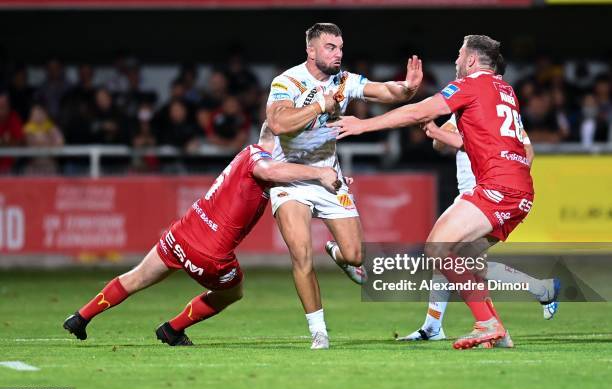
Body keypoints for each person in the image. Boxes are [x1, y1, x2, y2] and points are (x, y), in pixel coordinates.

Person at [332, 35, 535, 349]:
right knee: (463, 258)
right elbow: (504, 146)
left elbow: (418, 111)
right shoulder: (505, 92)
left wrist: (363, 125)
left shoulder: (471, 85)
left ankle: (488, 322)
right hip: (520, 192)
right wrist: (442, 134)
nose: (455, 61)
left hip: (496, 187)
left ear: (470, 60)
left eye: (458, 54)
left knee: (438, 247)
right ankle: (499, 333)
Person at [63, 143, 341, 346]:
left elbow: (278, 174)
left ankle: (80, 317)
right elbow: (271, 169)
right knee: (233, 293)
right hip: (210, 254)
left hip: (183, 232)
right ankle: (173, 329)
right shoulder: (262, 160)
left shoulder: (247, 153)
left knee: (136, 277)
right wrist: (319, 172)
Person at [260, 22, 423, 349]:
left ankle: (339, 254)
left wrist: (408, 88)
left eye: (340, 47)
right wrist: (321, 105)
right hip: (289, 177)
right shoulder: (286, 82)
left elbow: (386, 91)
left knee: (356, 255)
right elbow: (277, 123)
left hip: (329, 176)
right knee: (301, 255)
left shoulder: (344, 81)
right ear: (311, 50)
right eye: (330, 47)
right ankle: (318, 330)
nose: (338, 53)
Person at [397, 113, 560, 346]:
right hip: (482, 197)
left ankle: (529, 298)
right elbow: (527, 151)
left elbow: (438, 140)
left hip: (484, 198)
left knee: (451, 257)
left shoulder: (482, 109)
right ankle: (437, 326)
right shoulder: (492, 113)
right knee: (456, 261)